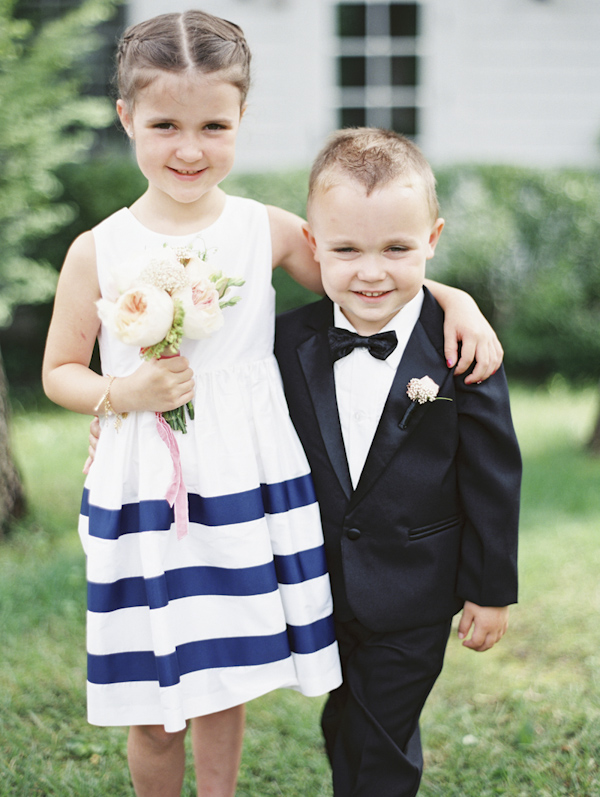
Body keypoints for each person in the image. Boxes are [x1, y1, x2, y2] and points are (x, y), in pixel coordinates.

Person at [42, 10, 503, 797]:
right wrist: (123, 390)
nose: (190, 147)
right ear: (127, 118)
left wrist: (454, 297)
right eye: (164, 124)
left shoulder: (265, 230)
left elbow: (363, 270)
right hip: (149, 486)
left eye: (214, 124)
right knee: (155, 702)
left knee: (225, 678)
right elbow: (59, 371)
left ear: (242, 118)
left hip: (247, 482)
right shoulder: (98, 248)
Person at [274, 127, 521, 797]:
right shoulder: (286, 340)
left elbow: (494, 475)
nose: (372, 271)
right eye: (347, 249)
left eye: (397, 249)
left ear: (433, 239)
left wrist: (491, 587)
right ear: (312, 241)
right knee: (344, 720)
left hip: (417, 586)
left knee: (385, 735)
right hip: (318, 583)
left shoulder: (461, 345)